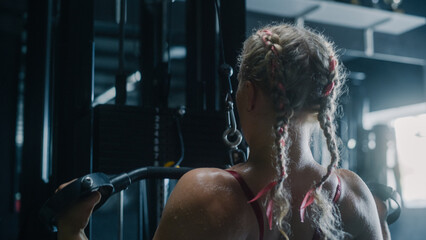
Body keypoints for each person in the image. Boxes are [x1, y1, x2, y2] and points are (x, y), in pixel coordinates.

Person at [57, 23, 388, 240]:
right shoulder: (354, 195)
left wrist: (72, 232)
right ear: (321, 105)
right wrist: (381, 221)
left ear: (250, 95)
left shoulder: (210, 196)